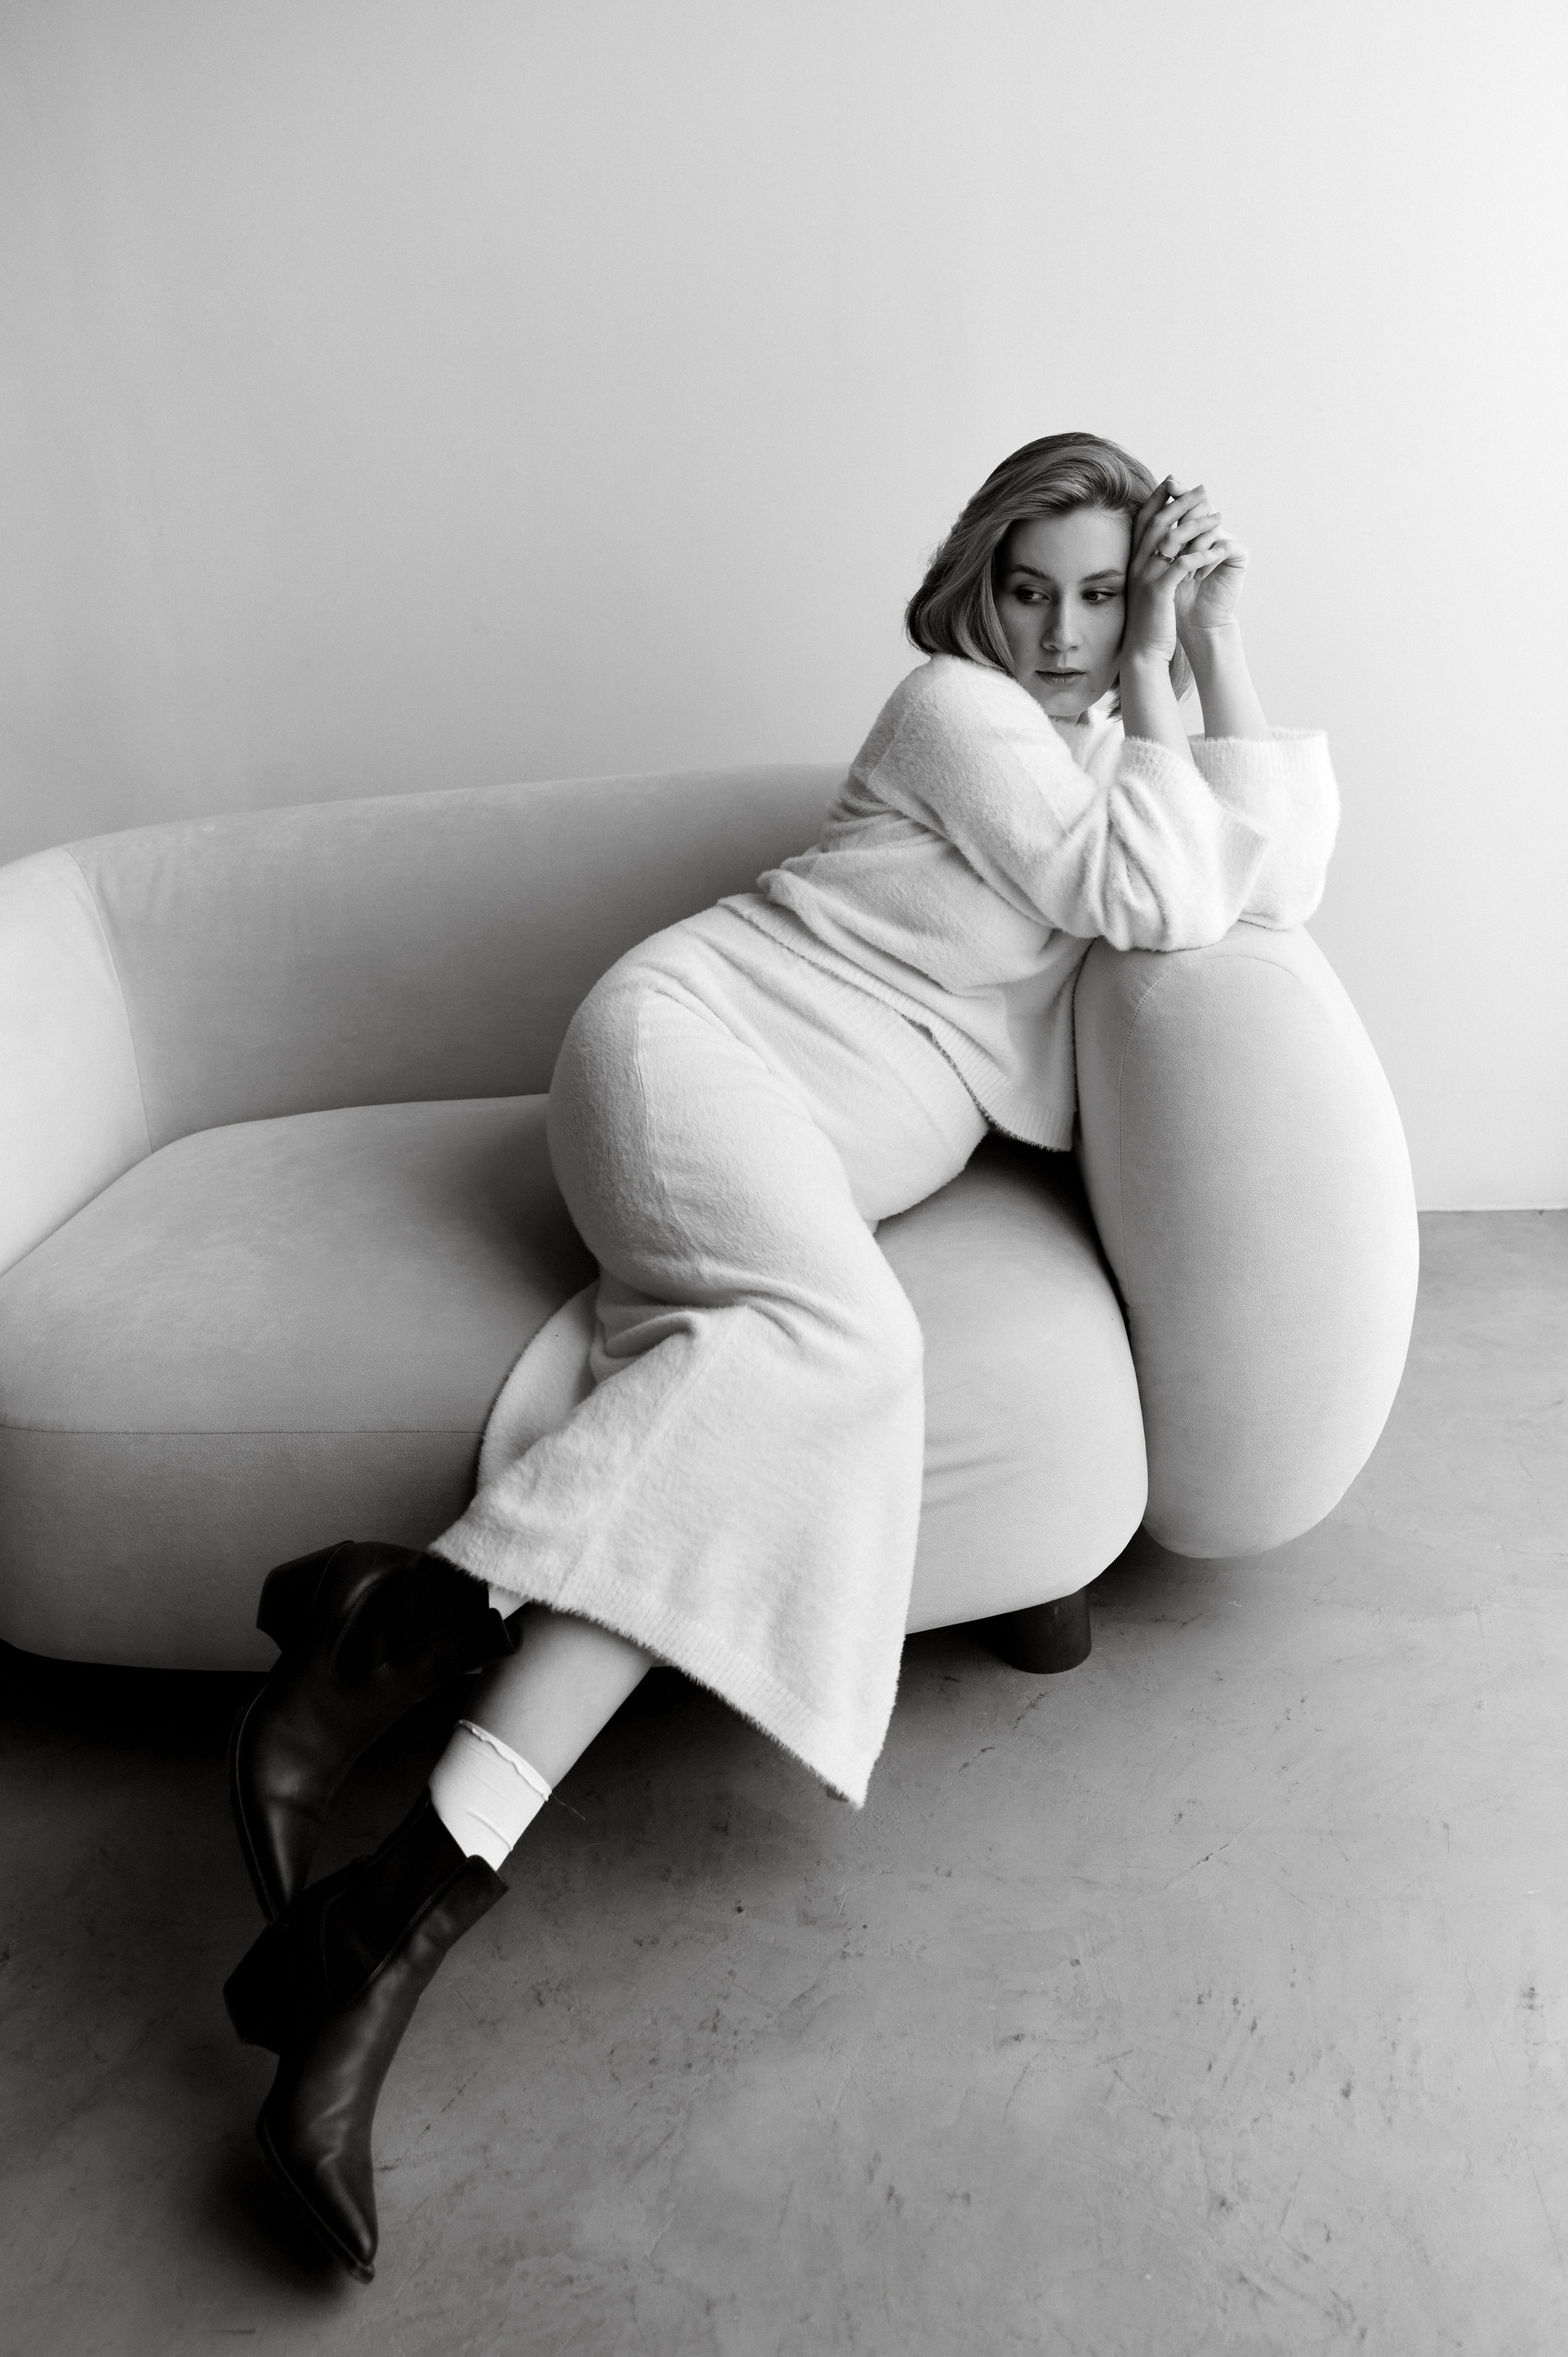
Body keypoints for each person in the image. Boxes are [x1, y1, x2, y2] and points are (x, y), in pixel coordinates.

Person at [221, 431, 1339, 2280]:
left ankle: (371, 1917)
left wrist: (1209, 645)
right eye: (1032, 589)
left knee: (739, 1438)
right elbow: (1157, 885)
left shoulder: (1102, 760)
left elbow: (1267, 875)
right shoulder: (960, 714)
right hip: (688, 1051)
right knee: (851, 1353)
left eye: (1098, 598)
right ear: (976, 587)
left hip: (783, 1141)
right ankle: (378, 1648)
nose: (1062, 635)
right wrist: (1154, 667)